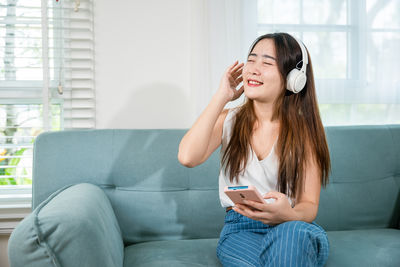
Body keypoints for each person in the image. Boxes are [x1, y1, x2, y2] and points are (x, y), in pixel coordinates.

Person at [178, 32, 330, 267]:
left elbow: (308, 205)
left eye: (267, 62)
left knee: (290, 239)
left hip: (293, 228)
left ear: (293, 78)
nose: (253, 69)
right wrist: (222, 97)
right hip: (241, 231)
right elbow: (187, 157)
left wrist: (288, 216)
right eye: (251, 59)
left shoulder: (304, 132)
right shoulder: (228, 120)